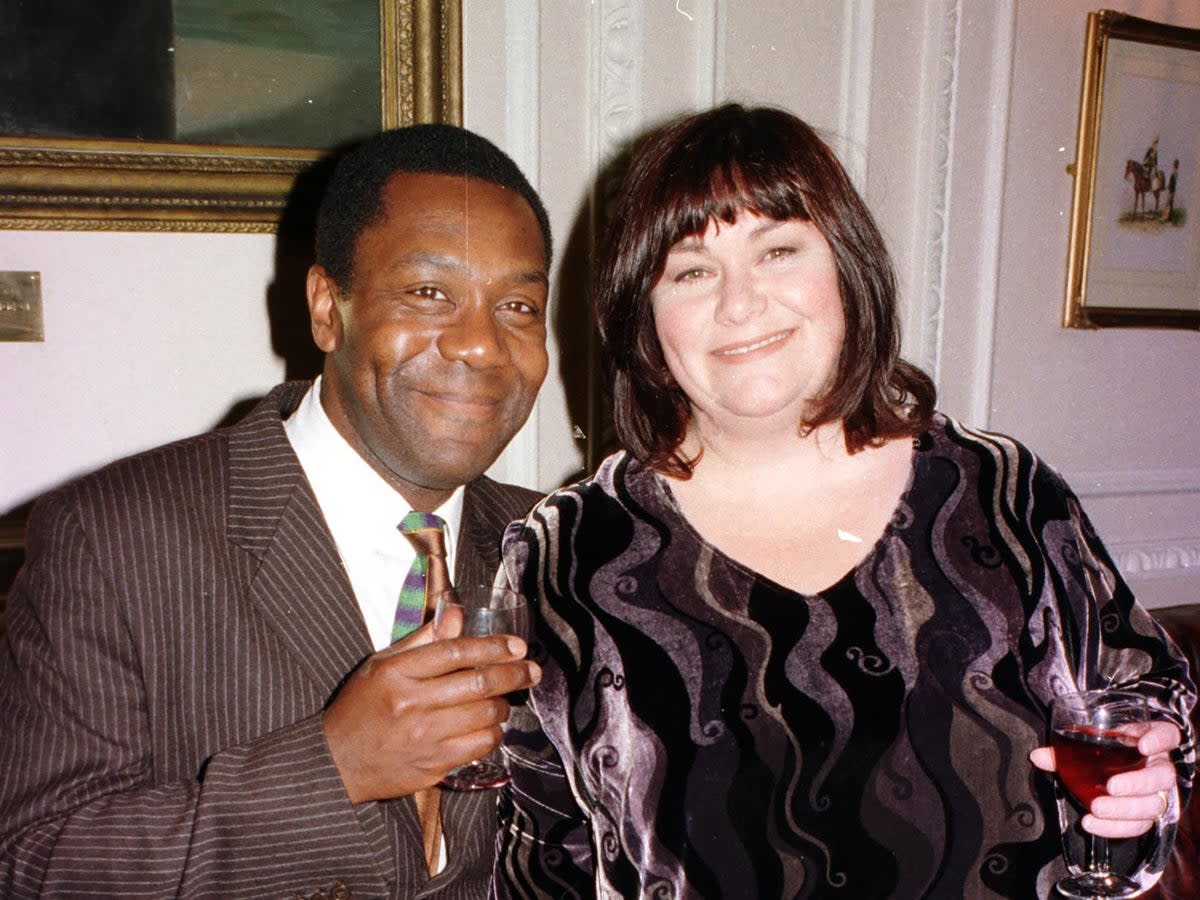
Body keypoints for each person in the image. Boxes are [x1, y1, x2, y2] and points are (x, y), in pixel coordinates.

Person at [491, 104, 1196, 898]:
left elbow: (1137, 709)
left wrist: (1142, 797)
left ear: (847, 270)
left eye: (779, 250)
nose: (739, 304)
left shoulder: (1002, 495)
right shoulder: (565, 555)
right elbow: (541, 861)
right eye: (691, 270)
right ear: (644, 317)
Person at [0, 123, 552, 897]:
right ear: (328, 308)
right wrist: (335, 769)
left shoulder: (562, 548)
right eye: (429, 293)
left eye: (520, 305)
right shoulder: (115, 534)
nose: (482, 345)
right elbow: (29, 865)